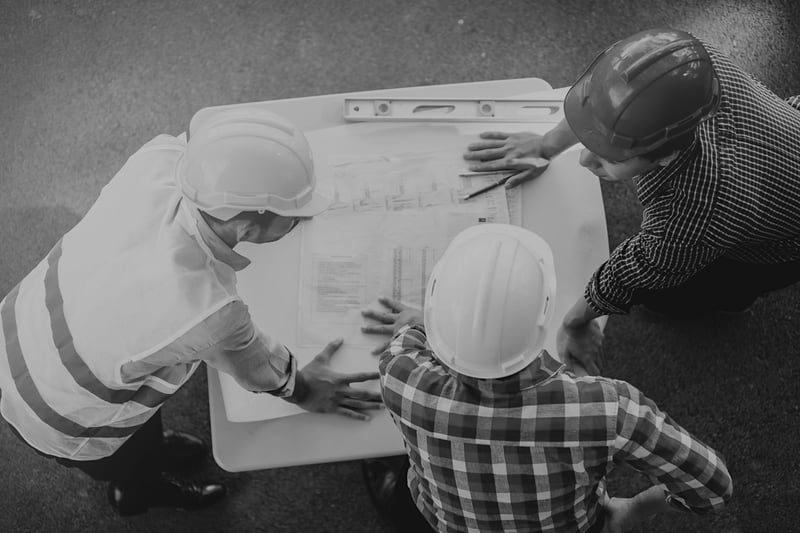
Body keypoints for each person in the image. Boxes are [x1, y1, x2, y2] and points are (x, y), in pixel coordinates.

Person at [0, 106, 383, 516]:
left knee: (145, 432)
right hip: (61, 412)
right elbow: (260, 371)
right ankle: (139, 494)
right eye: (293, 218)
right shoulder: (208, 309)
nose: (300, 221)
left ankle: (154, 451)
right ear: (247, 231)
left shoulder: (160, 158)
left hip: (20, 332)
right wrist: (305, 389)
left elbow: (208, 144)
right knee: (129, 463)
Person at [462, 28, 800, 374]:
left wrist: (575, 322)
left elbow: (635, 271)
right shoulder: (683, 64)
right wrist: (545, 145)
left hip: (781, 238)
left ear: (666, 157)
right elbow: (597, 107)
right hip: (788, 136)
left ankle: (726, 303)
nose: (585, 161)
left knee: (679, 293)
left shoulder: (695, 211)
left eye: (610, 157)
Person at [361, 223, 732, 533]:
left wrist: (438, 320)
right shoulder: (609, 411)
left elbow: (410, 333)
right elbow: (713, 487)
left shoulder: (400, 374)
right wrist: (633, 510)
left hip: (448, 524)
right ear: (545, 314)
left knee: (403, 478)